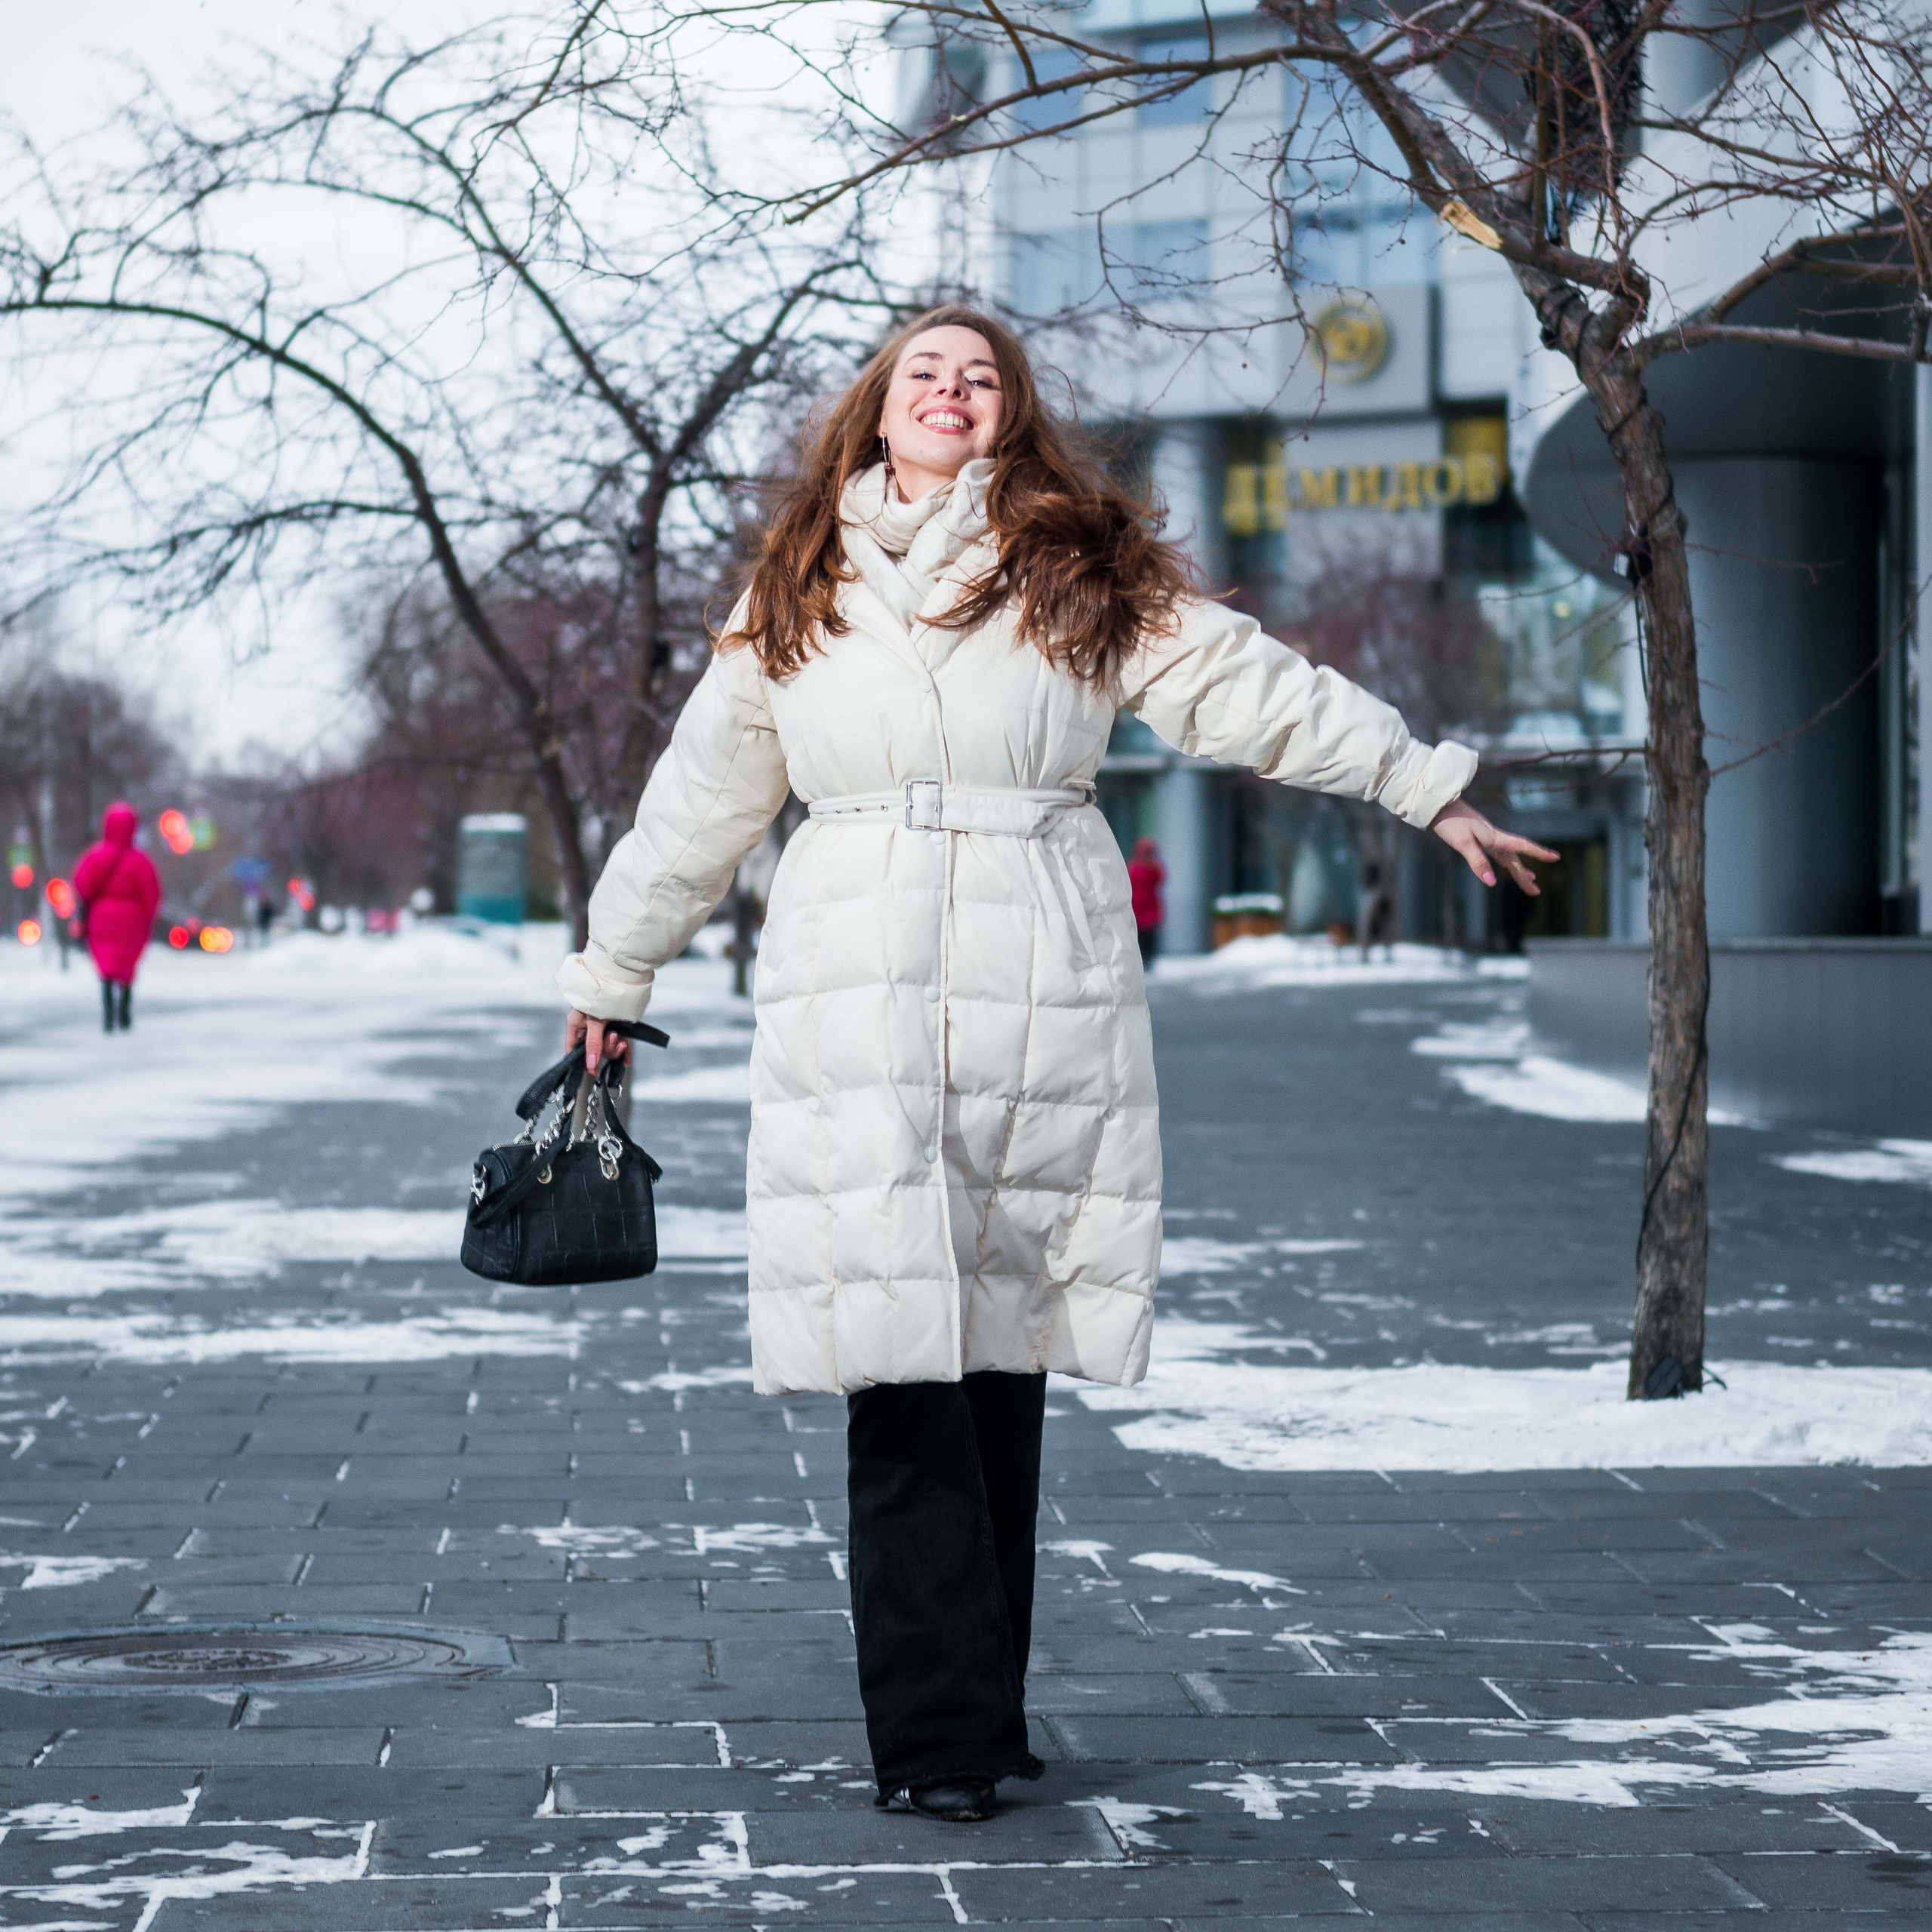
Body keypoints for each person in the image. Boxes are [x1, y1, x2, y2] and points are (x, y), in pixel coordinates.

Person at [558, 306, 1555, 1825]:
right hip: (856, 994)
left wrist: (1422, 786)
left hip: (1044, 978)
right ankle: (939, 1736)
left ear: (1007, 414)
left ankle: (983, 1710)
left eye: (979, 376)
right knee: (897, 1365)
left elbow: (1246, 683)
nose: (949, 392)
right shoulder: (794, 591)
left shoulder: (1075, 568)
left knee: (996, 1365)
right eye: (921, 375)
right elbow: (702, 796)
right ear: (876, 415)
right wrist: (615, 968)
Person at [73, 801, 162, 1034]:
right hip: (132, 920)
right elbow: (151, 893)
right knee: (126, 966)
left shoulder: (95, 856)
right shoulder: (141, 861)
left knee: (106, 966)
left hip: (101, 918)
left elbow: (82, 884)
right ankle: (124, 1009)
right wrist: (147, 919)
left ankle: (108, 1012)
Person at [1126, 836, 1165, 967]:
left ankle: (1149, 961)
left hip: (1149, 909)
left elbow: (1160, 879)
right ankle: (1143, 961)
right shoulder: (1134, 868)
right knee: (1140, 938)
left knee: (1150, 938)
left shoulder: (1153, 868)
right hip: (1137, 909)